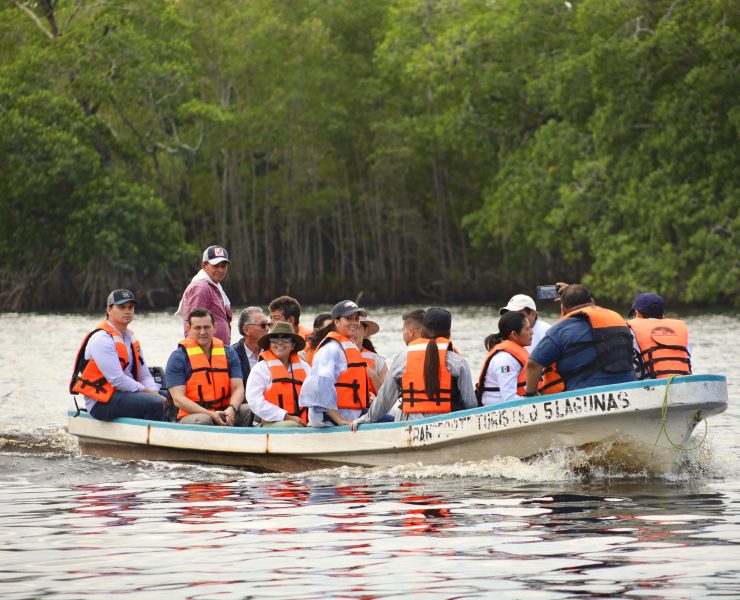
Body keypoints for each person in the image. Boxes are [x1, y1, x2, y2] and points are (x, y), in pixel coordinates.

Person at [352, 308, 477, 427]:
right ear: (448, 334)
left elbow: (384, 400)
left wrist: (365, 418)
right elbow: (470, 404)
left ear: (422, 331)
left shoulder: (402, 358)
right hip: (447, 425)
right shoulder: (458, 362)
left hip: (408, 426)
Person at [70, 289, 165, 421]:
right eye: (121, 307)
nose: (127, 311)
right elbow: (117, 380)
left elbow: (144, 375)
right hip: (102, 402)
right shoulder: (102, 339)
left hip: (126, 394)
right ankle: (150, 440)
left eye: (130, 307)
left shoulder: (130, 337)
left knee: (170, 396)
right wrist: (151, 395)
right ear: (109, 310)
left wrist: (154, 391)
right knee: (155, 403)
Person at [524, 284, 636, 396]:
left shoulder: (560, 330)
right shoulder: (617, 318)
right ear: (592, 301)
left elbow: (533, 365)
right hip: (628, 389)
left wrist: (530, 394)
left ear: (563, 308)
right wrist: (572, 290)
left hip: (586, 396)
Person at [165, 308, 252, 426]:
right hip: (192, 415)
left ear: (214, 328)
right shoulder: (178, 358)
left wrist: (232, 408)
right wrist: (210, 414)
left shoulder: (229, 353)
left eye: (206, 327)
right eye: (197, 328)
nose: (202, 332)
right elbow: (178, 399)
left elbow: (238, 388)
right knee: (205, 420)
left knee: (248, 410)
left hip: (225, 411)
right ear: (189, 329)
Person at [299, 300, 370, 427]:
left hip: (351, 416)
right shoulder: (330, 349)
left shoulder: (347, 346)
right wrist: (339, 420)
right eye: (348, 318)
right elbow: (322, 385)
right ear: (336, 322)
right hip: (330, 421)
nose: (354, 322)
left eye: (356, 318)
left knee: (386, 416)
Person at [246, 322, 311, 427]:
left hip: (304, 422)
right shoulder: (260, 369)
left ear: (293, 345)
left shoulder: (305, 367)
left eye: (285, 338)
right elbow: (255, 402)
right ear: (270, 345)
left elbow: (315, 396)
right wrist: (285, 417)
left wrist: (312, 421)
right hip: (269, 423)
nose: (280, 342)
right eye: (274, 338)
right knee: (290, 426)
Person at [176, 245, 233, 344]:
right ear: (203, 266)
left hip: (218, 353)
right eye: (216, 265)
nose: (220, 270)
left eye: (223, 266)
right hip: (206, 354)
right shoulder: (201, 287)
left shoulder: (215, 287)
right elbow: (194, 325)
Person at [627, 293, 692, 379]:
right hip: (682, 382)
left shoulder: (630, 331)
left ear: (637, 313)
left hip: (650, 386)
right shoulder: (681, 330)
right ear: (663, 314)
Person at [476, 312, 533, 405]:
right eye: (527, 329)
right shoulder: (504, 360)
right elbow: (509, 399)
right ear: (514, 334)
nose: (531, 332)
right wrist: (536, 400)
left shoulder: (511, 354)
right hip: (495, 411)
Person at [233, 306, 269, 384]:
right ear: (246, 330)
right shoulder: (232, 354)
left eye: (268, 324)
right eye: (263, 325)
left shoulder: (274, 351)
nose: (267, 328)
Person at [354, 317, 388, 395]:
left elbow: (386, 397)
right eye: (351, 328)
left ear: (365, 331)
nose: (353, 332)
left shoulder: (379, 361)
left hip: (370, 406)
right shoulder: (335, 356)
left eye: (358, 327)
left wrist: (372, 375)